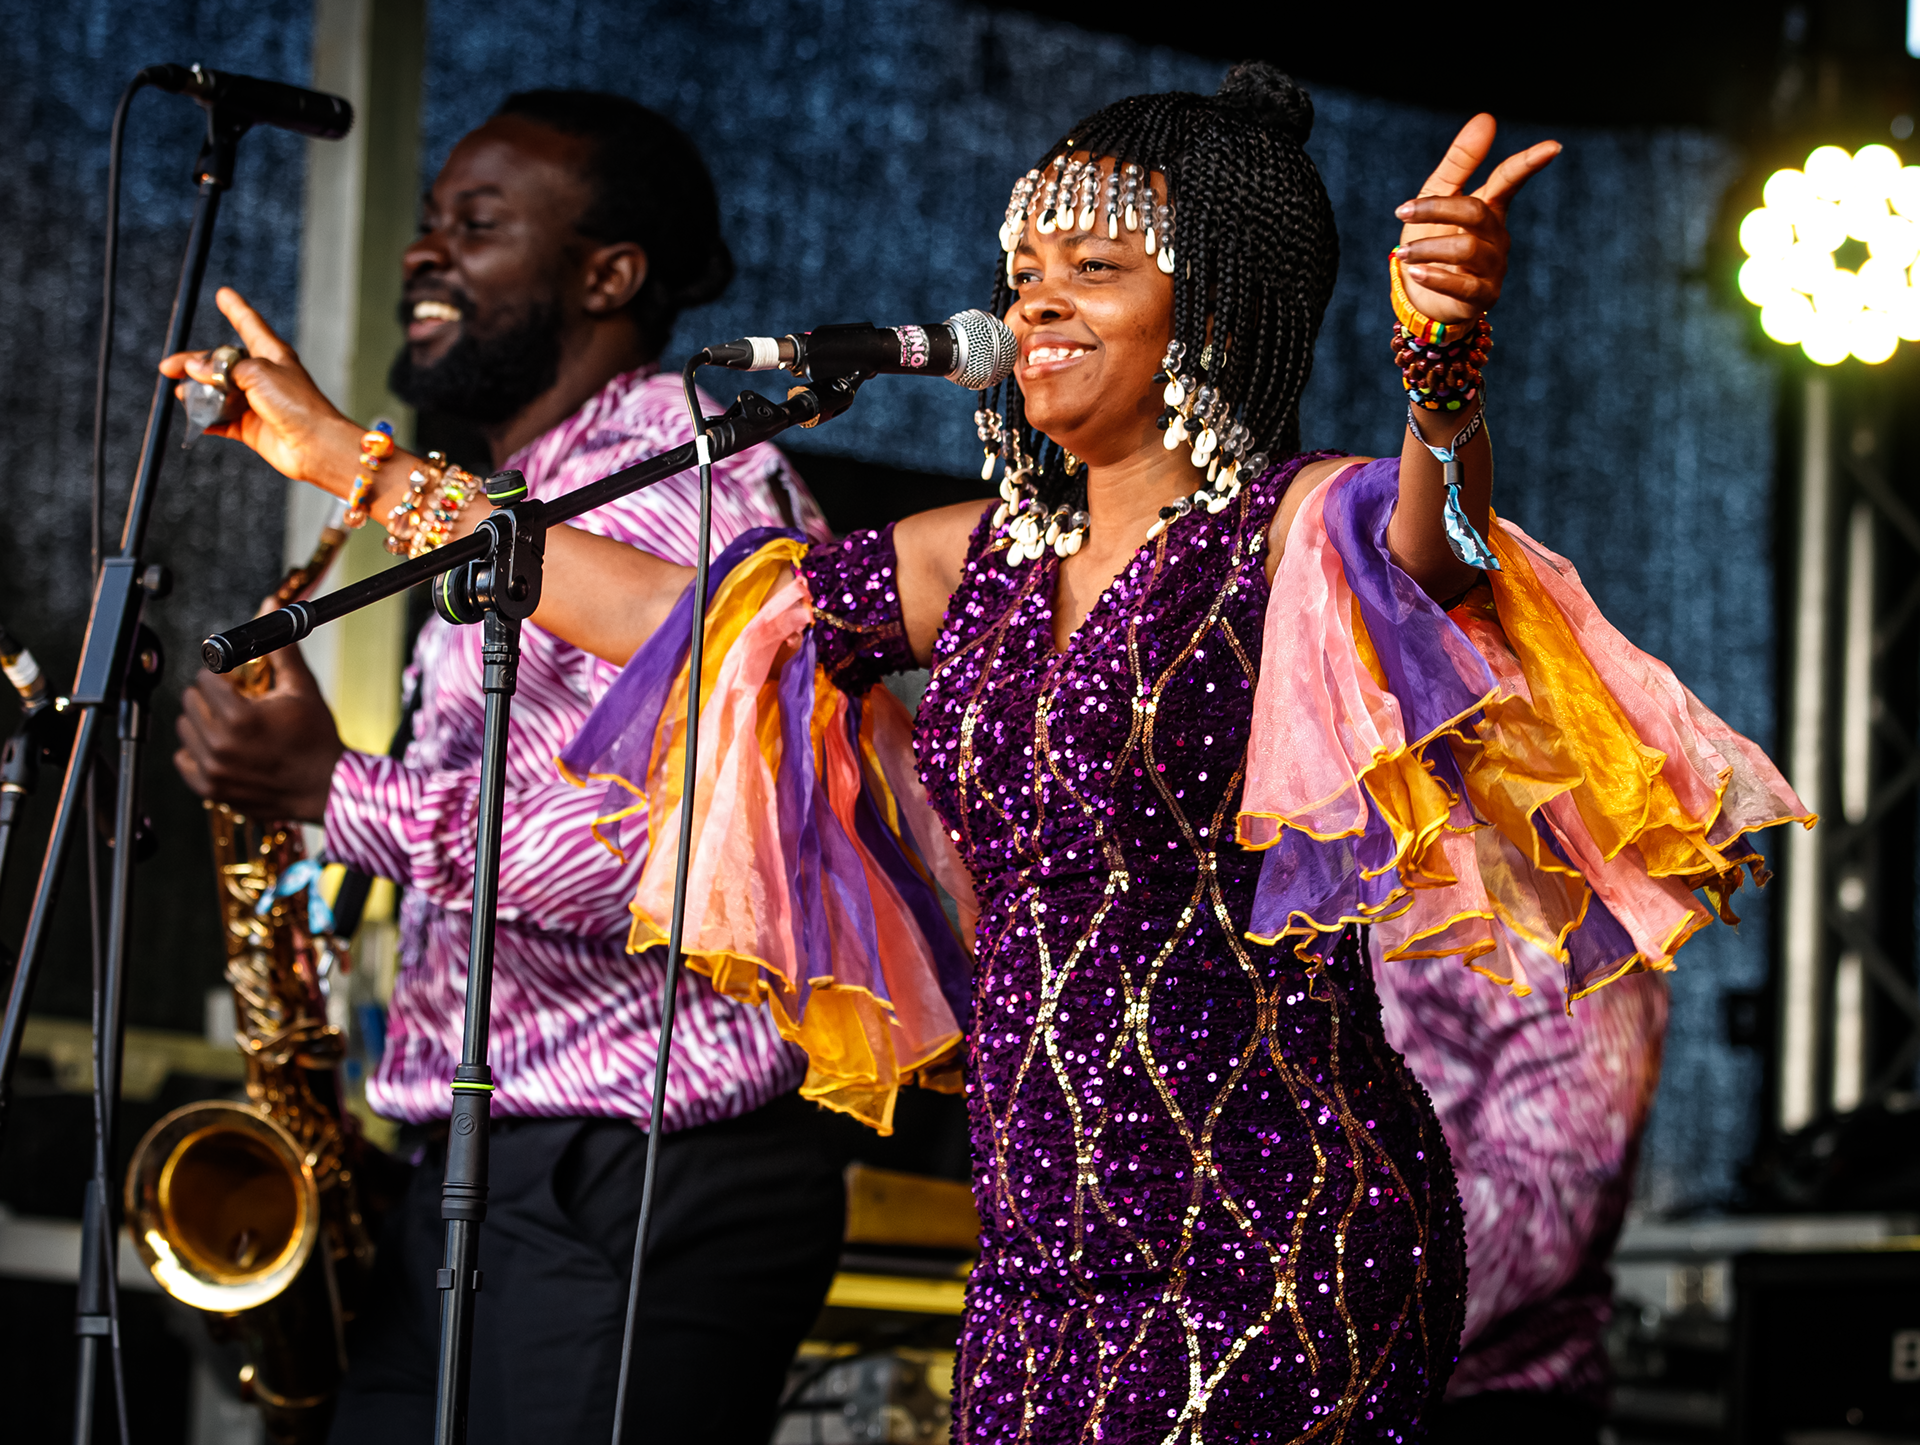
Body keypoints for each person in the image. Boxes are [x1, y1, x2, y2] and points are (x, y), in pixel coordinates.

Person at [191, 63, 1808, 1443]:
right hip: (1039, 1242)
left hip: (1274, 1224)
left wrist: (1442, 370)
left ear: (1217, 302)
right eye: (1025, 264)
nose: (1034, 297)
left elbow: (1438, 549)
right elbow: (682, 616)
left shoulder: (1299, 530)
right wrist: (350, 460)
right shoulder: (984, 563)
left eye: (1094, 267)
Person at [165, 91, 842, 1443]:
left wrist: (334, 794)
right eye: (426, 224)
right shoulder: (535, 489)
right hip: (483, 1172)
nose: (425, 253)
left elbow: (678, 844)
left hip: (639, 1175)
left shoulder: (677, 478)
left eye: (474, 225)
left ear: (609, 275)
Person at [1378, 954, 1668, 1444]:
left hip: (1494, 1405)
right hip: (1364, 1391)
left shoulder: (1559, 934)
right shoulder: (1360, 908)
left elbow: (1542, 1212)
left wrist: (1340, 1320)